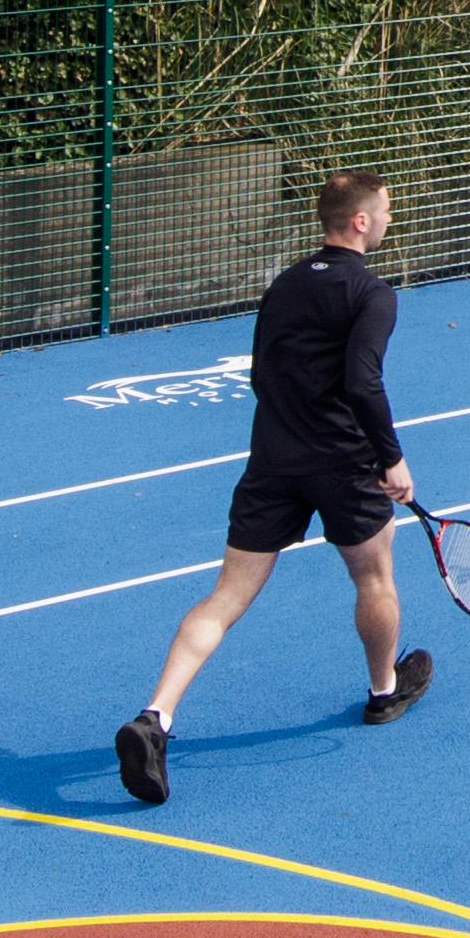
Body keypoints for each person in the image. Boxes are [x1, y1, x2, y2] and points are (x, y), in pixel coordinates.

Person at [118, 170, 424, 803]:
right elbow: (363, 383)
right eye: (386, 209)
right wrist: (389, 459)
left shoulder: (284, 284)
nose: (391, 217)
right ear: (360, 221)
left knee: (225, 598)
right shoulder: (372, 293)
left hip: (274, 458)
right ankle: (383, 692)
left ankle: (155, 718)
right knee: (374, 578)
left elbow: (264, 374)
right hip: (343, 464)